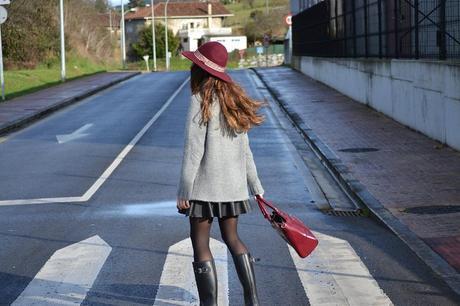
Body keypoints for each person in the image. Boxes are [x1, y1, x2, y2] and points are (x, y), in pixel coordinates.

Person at [176, 41, 265, 306]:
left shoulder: (199, 100)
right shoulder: (234, 100)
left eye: (195, 63)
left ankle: (209, 304)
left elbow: (193, 151)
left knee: (200, 243)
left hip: (204, 189)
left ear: (200, 69)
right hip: (233, 188)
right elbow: (246, 151)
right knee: (233, 238)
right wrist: (256, 186)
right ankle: (252, 300)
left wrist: (184, 191)